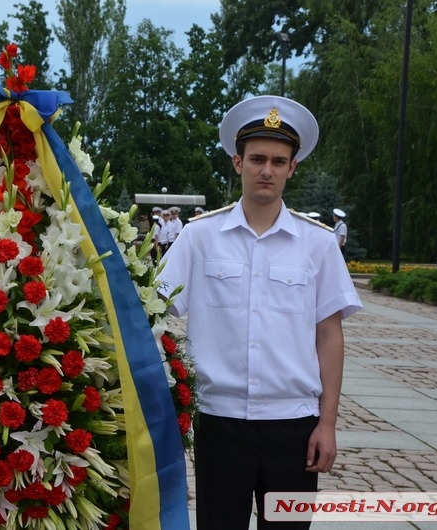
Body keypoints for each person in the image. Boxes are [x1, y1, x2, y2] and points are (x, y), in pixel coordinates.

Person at [158, 95, 362, 529]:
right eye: (256, 159)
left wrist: (328, 424)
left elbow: (329, 336)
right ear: (237, 162)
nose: (266, 170)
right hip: (220, 419)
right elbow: (154, 310)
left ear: (292, 167)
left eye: (277, 160)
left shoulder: (318, 244)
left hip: (294, 426)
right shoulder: (199, 238)